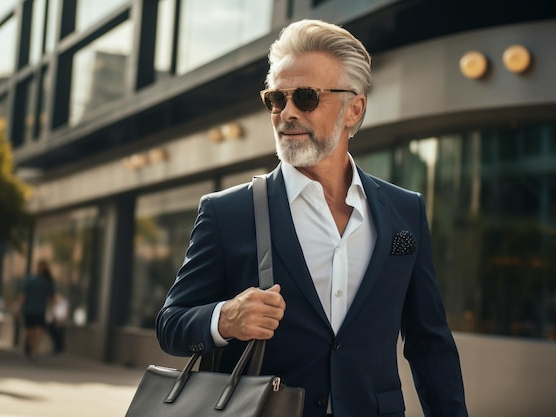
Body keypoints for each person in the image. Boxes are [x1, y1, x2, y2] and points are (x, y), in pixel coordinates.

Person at [157, 19, 468, 417]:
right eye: (276, 99)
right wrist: (225, 319)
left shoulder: (404, 211)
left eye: (304, 97)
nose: (286, 113)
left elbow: (429, 344)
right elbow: (171, 324)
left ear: (354, 108)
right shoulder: (226, 213)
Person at [15, 259, 55, 360]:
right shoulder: (31, 280)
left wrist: (53, 312)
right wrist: (18, 307)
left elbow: (51, 298)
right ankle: (29, 348)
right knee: (29, 332)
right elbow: (23, 295)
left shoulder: (47, 282)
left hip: (41, 311)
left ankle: (34, 351)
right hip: (29, 310)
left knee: (38, 331)